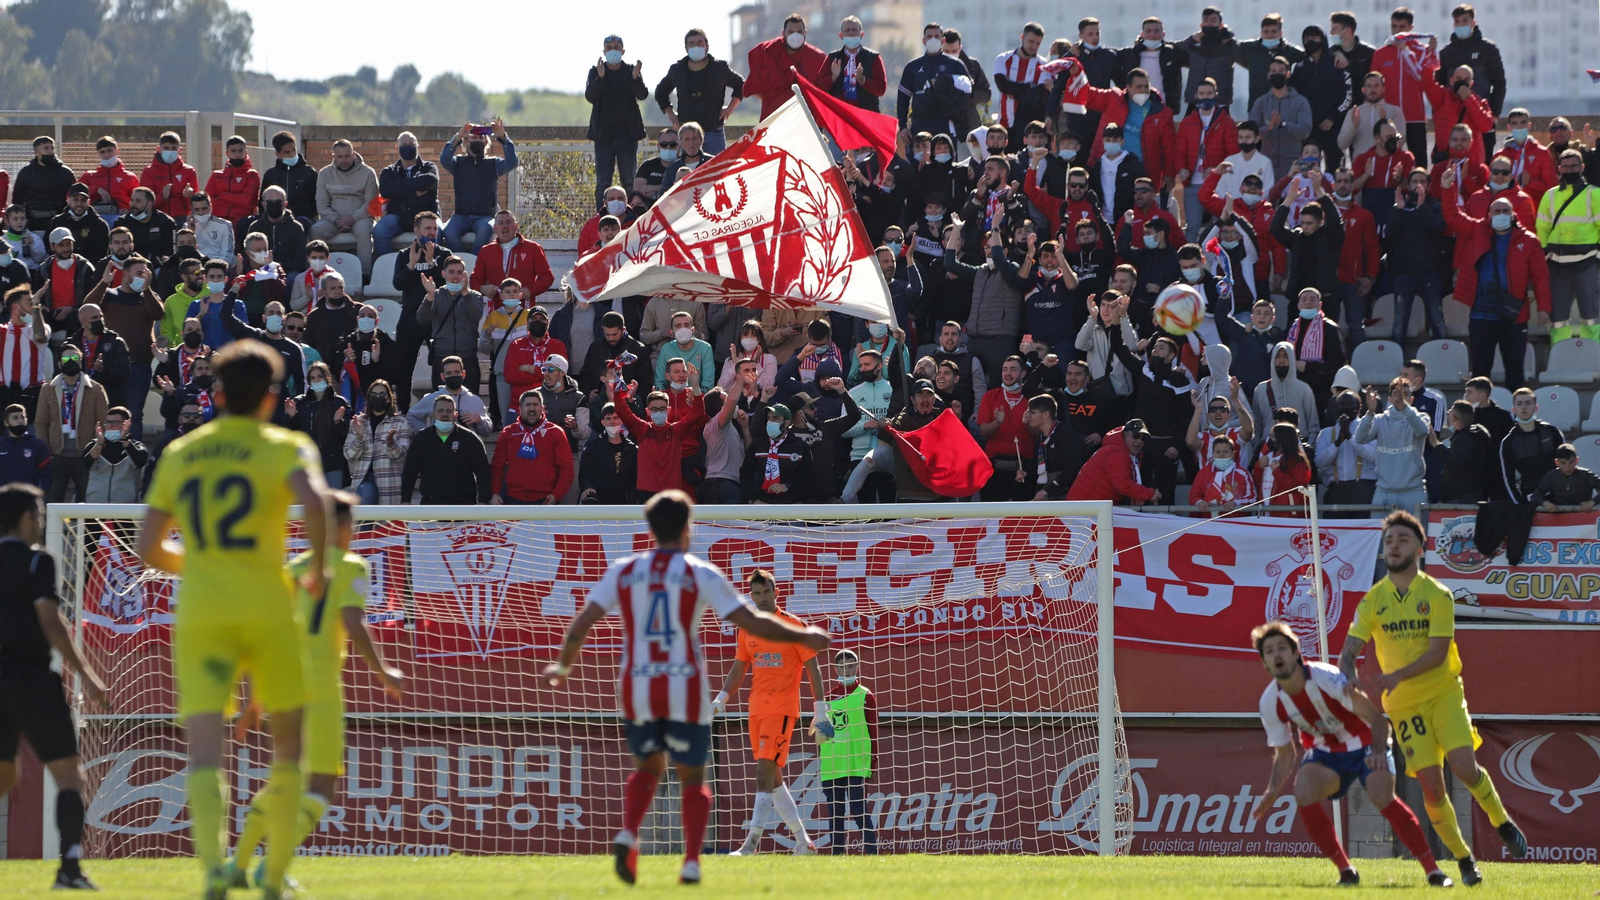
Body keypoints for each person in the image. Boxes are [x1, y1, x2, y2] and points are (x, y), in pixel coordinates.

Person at [543, 491, 828, 885]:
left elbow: (582, 623)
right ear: (688, 528)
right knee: (692, 777)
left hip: (636, 683)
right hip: (683, 683)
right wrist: (808, 635)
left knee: (647, 768)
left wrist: (562, 664)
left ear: (650, 528)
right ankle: (692, 861)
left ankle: (629, 832)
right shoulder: (699, 571)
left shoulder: (625, 569)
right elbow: (753, 622)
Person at [134, 340, 332, 899]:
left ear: (215, 395)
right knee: (289, 746)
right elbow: (316, 506)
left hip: (202, 609)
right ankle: (271, 876)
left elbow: (148, 546)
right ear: (271, 399)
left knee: (203, 748)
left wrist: (197, 561)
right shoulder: (284, 445)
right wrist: (315, 568)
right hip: (268, 605)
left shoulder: (182, 452)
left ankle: (215, 869)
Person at [224, 490, 403, 889]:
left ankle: (237, 865)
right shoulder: (352, 567)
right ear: (341, 527)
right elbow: (354, 623)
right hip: (320, 685)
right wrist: (384, 670)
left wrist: (254, 694)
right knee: (321, 786)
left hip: (283, 681)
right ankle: (272, 873)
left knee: (284, 778)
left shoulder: (294, 568)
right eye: (352, 523)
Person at [1338, 511, 1529, 886]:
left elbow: (1438, 654)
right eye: (1389, 540)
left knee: (1463, 767)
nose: (1394, 546)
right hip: (1404, 706)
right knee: (1431, 787)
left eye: (1403, 540)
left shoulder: (1437, 594)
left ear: (1419, 549)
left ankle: (1501, 822)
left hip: (1443, 692)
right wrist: (1346, 676)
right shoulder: (1373, 600)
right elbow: (1349, 651)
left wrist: (1393, 676)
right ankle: (1463, 860)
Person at [1250, 620, 1447, 888]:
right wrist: (1272, 791)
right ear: (1264, 663)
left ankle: (1433, 872)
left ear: (1296, 653)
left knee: (1381, 795)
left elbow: (1377, 720)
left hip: (1366, 742)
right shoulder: (1269, 701)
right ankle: (1346, 871)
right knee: (1303, 793)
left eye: (1282, 648)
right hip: (1325, 753)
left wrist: (1379, 750)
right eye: (1269, 652)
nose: (1277, 656)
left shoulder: (1324, 676)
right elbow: (1285, 752)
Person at [0, 483, 108, 890]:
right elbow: (49, 621)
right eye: (39, 515)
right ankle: (69, 870)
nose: (41, 522)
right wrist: (87, 676)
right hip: (29, 678)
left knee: (4, 777)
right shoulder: (36, 562)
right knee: (69, 777)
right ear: (28, 518)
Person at [712, 569, 830, 855]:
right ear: (750, 596)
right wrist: (721, 697)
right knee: (774, 780)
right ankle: (804, 842)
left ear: (776, 592)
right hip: (757, 710)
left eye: (766, 592)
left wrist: (821, 709)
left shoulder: (792, 626)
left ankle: (750, 846)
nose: (762, 598)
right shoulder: (747, 629)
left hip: (782, 710)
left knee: (763, 775)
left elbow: (813, 669)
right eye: (756, 593)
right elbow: (739, 667)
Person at [1442, 168, 1551, 389]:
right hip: (1482, 315)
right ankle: (1478, 417)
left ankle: (1516, 419)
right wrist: (1447, 188)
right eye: (1496, 210)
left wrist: (1544, 307)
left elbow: (1540, 277)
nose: (1500, 214)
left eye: (1505, 210)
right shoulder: (1478, 230)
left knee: (1515, 372)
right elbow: (1453, 217)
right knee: (1480, 372)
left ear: (1513, 215)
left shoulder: (1529, 241)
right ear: (1488, 215)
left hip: (1514, 316)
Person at [1535, 149, 1600, 343]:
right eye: (1565, 166)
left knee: (1591, 317)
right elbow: (1542, 227)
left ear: (1582, 168)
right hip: (1557, 266)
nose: (1569, 170)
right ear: (1560, 168)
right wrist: (1546, 254)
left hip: (1587, 264)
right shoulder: (1550, 195)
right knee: (1558, 320)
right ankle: (1559, 358)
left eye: (1574, 166)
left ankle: (1594, 362)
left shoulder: (1595, 194)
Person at [34, 345, 106, 503]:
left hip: (85, 456)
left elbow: (103, 422)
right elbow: (40, 422)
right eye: (66, 359)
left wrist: (96, 451)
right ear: (59, 363)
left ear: (81, 362)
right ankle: (53, 530)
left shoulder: (95, 389)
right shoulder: (48, 389)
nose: (71, 362)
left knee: (86, 501)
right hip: (58, 455)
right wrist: (47, 452)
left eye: (75, 359)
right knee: (53, 501)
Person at [654, 30, 744, 156]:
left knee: (716, 172)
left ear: (707, 46)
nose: (696, 47)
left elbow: (740, 85)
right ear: (686, 48)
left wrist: (730, 108)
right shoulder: (677, 70)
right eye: (691, 44)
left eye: (699, 43)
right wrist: (670, 113)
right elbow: (660, 92)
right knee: (689, 173)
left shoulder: (719, 68)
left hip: (713, 131)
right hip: (687, 134)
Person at [587, 36, 650, 212]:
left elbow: (643, 95)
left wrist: (636, 78)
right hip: (603, 136)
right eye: (609, 47)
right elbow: (590, 97)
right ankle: (601, 218)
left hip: (628, 136)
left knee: (629, 181)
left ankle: (630, 216)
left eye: (616, 47)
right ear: (604, 52)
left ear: (622, 51)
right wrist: (600, 77)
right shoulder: (595, 71)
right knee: (603, 182)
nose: (613, 50)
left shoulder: (631, 71)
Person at [1386, 169, 1449, 342]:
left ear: (1428, 185)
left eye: (1422, 181)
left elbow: (1439, 228)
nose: (1418, 185)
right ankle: (1398, 362)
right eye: (1414, 181)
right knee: (1399, 322)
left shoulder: (1435, 206)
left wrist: (1422, 207)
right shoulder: (1399, 206)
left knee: (1437, 319)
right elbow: (1389, 234)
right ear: (1408, 185)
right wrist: (1398, 210)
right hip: (1404, 273)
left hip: (1430, 271)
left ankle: (1442, 357)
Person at [1174, 77, 1239, 241]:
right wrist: (1181, 169)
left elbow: (1233, 153)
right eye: (1202, 94)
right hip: (1192, 183)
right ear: (1195, 96)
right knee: (1192, 228)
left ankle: (1219, 262)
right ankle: (1190, 262)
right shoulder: (1188, 122)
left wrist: (1217, 169)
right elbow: (1179, 151)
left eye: (1209, 93)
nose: (1206, 97)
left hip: (1217, 185)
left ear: (1216, 95)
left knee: (1221, 225)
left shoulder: (1226, 122)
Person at [439, 119, 517, 252]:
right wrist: (458, 136)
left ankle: (475, 265)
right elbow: (444, 159)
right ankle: (461, 263)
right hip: (460, 217)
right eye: (474, 137)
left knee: (484, 232)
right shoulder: (458, 163)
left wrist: (503, 137)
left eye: (481, 137)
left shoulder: (493, 164)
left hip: (484, 217)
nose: (478, 140)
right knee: (448, 232)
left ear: (486, 142)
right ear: (466, 141)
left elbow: (512, 162)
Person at [1354, 376, 1429, 512]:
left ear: (1412, 399)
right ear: (1389, 400)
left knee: (1417, 534)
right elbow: (1359, 439)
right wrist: (1370, 413)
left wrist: (1404, 408)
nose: (1400, 398)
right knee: (1380, 534)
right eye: (1396, 394)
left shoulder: (1422, 417)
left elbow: (1422, 430)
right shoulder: (1379, 419)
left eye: (1405, 394)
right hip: (1384, 492)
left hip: (1413, 492)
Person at [1439, 5, 1505, 157]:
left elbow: (1499, 83)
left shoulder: (1488, 49)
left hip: (1481, 118)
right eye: (1457, 22)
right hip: (1453, 121)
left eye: (1465, 21)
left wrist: (1494, 113)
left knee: (1485, 161)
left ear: (1473, 22)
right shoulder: (1445, 54)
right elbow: (1440, 88)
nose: (1461, 25)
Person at [400, 393, 490, 504]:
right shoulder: (421, 439)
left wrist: (483, 501)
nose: (444, 414)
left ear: (456, 415)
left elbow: (483, 473)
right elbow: (409, 472)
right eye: (440, 411)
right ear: (432, 414)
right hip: (430, 508)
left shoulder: (470, 439)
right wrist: (405, 500)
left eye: (449, 411)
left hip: (464, 508)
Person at [490, 391, 573, 505]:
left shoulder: (556, 432)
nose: (531, 409)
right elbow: (497, 466)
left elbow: (567, 468)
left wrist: (556, 495)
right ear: (520, 409)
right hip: (513, 499)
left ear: (542, 408)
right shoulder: (508, 432)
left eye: (535, 405)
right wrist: (495, 492)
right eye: (527, 405)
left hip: (545, 500)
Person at [309, 140, 378, 276]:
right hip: (332, 220)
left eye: (347, 156)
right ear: (333, 156)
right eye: (340, 157)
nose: (344, 160)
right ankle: (319, 273)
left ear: (354, 154)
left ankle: (365, 274)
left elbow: (372, 204)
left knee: (365, 230)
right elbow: (322, 205)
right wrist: (335, 219)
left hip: (360, 218)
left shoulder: (368, 173)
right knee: (316, 230)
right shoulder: (324, 173)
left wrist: (353, 219)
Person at [417, 259, 486, 395]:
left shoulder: (474, 295)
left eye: (459, 272)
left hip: (467, 356)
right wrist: (429, 296)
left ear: (465, 275)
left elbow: (475, 316)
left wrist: (465, 292)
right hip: (442, 355)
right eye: (451, 272)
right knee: (441, 401)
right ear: (443, 274)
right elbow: (421, 319)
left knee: (470, 401)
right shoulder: (436, 295)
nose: (455, 276)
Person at [744, 13, 828, 121]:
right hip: (775, 119)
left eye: (799, 32)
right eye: (791, 32)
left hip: (805, 120)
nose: (795, 36)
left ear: (805, 33)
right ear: (784, 33)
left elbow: (824, 91)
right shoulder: (769, 52)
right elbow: (755, 87)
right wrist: (773, 101)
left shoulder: (818, 58)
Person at [1290, 26, 1353, 168]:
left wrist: (1333, 117)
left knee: (1334, 167)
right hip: (1309, 129)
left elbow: (1348, 95)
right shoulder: (1300, 66)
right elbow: (1293, 95)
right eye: (1306, 38)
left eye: (1314, 37)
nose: (1310, 41)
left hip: (1333, 127)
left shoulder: (1337, 62)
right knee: (1307, 169)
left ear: (1322, 39)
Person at [371, 132, 439, 255]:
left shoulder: (429, 167)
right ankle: (389, 268)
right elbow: (386, 190)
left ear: (417, 146)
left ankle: (433, 265)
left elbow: (430, 180)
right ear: (397, 148)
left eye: (411, 144)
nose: (408, 147)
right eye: (404, 144)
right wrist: (414, 192)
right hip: (398, 215)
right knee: (379, 231)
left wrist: (399, 187)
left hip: (426, 215)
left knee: (439, 232)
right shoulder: (389, 171)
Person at [343, 379, 409, 506]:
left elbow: (403, 457)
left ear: (388, 398)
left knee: (386, 524)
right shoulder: (359, 422)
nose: (377, 397)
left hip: (389, 482)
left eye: (382, 394)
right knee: (366, 498)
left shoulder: (399, 422)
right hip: (364, 480)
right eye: (374, 395)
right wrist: (359, 437)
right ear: (368, 399)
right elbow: (348, 455)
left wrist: (391, 443)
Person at [1249, 56, 1315, 180]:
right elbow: (1251, 134)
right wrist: (1268, 128)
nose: (1277, 74)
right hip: (1266, 163)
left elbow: (1305, 131)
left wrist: (1283, 124)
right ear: (1268, 75)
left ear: (1288, 74)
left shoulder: (1300, 102)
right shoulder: (1261, 102)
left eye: (1281, 71)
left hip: (1293, 164)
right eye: (1273, 71)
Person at [1066, 419, 1160, 505]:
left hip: (1090, 508)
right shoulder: (1116, 452)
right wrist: (1150, 494)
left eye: (1143, 439)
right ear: (1124, 435)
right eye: (1136, 436)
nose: (1139, 441)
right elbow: (1123, 485)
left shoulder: (1126, 453)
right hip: (1082, 511)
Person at [287, 360, 351, 488]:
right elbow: (294, 436)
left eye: (320, 376)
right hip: (308, 464)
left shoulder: (339, 403)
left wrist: (337, 422)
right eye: (313, 378)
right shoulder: (300, 403)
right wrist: (292, 417)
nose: (316, 381)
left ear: (327, 377)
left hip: (332, 464)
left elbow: (346, 437)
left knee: (332, 505)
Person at [470, 210, 555, 302]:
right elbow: (475, 280)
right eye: (501, 223)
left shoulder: (533, 248)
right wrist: (483, 289)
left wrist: (530, 290)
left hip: (523, 310)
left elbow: (547, 277)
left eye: (508, 222)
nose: (505, 226)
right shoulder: (486, 251)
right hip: (496, 311)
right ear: (495, 228)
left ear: (516, 226)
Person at [1499, 387, 1566, 502]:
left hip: (1559, 496)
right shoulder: (1508, 442)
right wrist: (1520, 505)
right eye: (1519, 404)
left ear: (1536, 407)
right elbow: (1508, 480)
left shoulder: (1551, 431)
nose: (1524, 407)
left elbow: (1566, 465)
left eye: (1528, 403)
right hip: (1530, 498)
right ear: (1514, 409)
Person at [407, 355, 491, 438]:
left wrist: (480, 420)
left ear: (463, 374)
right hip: (440, 446)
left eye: (456, 372)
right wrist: (428, 432)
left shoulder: (474, 400)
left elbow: (487, 432)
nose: (453, 376)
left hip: (467, 447)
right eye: (449, 373)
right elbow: (411, 415)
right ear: (442, 377)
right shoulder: (432, 398)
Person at [1113, 17, 1184, 114]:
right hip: (1136, 110)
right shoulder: (1132, 55)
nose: (1152, 34)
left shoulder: (1172, 54)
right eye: (1148, 31)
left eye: (1156, 31)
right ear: (1142, 34)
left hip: (1164, 110)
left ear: (1163, 34)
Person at [236, 188, 309, 279]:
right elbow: (247, 253)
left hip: (287, 272)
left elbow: (301, 260)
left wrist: (276, 267)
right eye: (270, 202)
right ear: (263, 204)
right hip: (259, 270)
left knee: (293, 278)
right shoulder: (255, 226)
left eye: (277, 202)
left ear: (285, 204)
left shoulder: (296, 227)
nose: (274, 206)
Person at [822, 16, 889, 115]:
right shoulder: (833, 58)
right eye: (847, 30)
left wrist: (863, 80)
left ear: (861, 34)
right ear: (841, 35)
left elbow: (881, 89)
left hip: (866, 115)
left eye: (854, 30)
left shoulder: (873, 58)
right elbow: (818, 86)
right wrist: (833, 77)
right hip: (839, 115)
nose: (851, 33)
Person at [1238, 14, 1304, 112]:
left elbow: (1312, 55)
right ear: (1261, 33)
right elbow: (1231, 45)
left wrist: (1336, 52)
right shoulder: (1250, 48)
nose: (1269, 35)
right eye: (1266, 31)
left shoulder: (1290, 51)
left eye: (1274, 31)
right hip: (1256, 106)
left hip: (1284, 107)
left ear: (1281, 33)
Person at [1177, 7, 1239, 112]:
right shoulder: (1193, 43)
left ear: (1221, 25)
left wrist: (1229, 33)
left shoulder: (1229, 44)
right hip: (1195, 101)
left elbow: (1246, 52)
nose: (1209, 24)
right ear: (1201, 25)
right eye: (1205, 20)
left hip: (1221, 101)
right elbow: (1173, 47)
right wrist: (1192, 39)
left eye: (1213, 20)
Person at [81, 405, 147, 502]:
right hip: (96, 504)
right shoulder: (94, 445)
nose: (110, 426)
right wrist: (100, 443)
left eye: (115, 422)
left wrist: (124, 439)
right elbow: (87, 464)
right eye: (107, 422)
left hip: (124, 507)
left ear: (126, 424)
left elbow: (139, 462)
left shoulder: (137, 446)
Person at [1338, 74, 1404, 165]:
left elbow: (1399, 143)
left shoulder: (1394, 111)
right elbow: (1341, 144)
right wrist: (1354, 126)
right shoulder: (1354, 113)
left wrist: (1385, 126)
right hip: (1361, 167)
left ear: (1383, 89)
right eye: (1369, 86)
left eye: (1376, 86)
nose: (1373, 90)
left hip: (1387, 166)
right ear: (1363, 90)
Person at [14, 136, 74, 235]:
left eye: (52, 148)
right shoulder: (25, 173)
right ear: (36, 152)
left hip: (58, 221)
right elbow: (17, 199)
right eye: (46, 148)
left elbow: (72, 197)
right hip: (31, 222)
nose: (51, 151)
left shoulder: (65, 173)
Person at [260, 132, 319, 230]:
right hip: (274, 217)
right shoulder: (270, 175)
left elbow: (315, 202)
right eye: (287, 152)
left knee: (297, 226)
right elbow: (262, 202)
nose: (292, 155)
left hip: (302, 217)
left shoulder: (309, 172)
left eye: (294, 150)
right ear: (278, 154)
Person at [1438, 400, 1493, 503]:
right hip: (1470, 495)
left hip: (1460, 497)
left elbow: (1455, 463)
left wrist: (1437, 446)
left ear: (1453, 418)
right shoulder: (1471, 437)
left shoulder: (1466, 439)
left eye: (1450, 413)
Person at [1257, 420, 1314, 514]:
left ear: (1283, 438)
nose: (1270, 439)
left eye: (1273, 436)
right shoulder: (1267, 456)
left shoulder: (1297, 460)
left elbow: (1298, 486)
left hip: (1288, 514)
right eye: (1270, 436)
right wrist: (1259, 467)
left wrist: (1277, 471)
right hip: (1265, 512)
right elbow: (1256, 482)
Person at [140, 131, 199, 220]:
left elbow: (195, 205)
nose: (170, 151)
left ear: (180, 150)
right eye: (166, 148)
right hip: (157, 217)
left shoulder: (189, 171)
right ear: (159, 149)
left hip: (182, 217)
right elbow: (145, 203)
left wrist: (189, 196)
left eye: (173, 148)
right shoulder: (149, 172)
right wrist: (162, 197)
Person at [203, 136, 260, 225]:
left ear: (246, 152)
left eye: (240, 151)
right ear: (227, 153)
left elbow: (247, 200)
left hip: (242, 221)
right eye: (233, 151)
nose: (237, 154)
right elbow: (208, 200)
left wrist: (222, 195)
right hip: (218, 219)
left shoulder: (252, 175)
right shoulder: (217, 175)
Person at [114, 187, 177, 265]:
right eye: (132, 200)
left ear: (149, 204)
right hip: (129, 265)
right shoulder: (122, 223)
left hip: (157, 266)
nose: (133, 204)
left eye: (138, 201)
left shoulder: (166, 223)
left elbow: (171, 253)